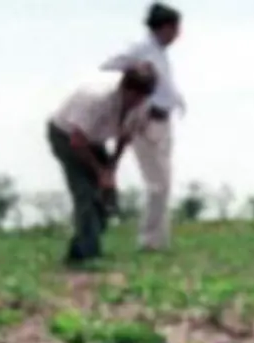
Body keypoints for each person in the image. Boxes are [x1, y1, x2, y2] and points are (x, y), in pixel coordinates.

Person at [47, 63, 157, 266]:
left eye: (144, 95)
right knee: (86, 192)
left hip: (94, 140)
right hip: (66, 135)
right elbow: (77, 141)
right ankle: (91, 255)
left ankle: (78, 251)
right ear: (125, 88)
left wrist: (111, 169)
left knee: (107, 198)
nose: (138, 100)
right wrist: (100, 172)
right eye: (135, 94)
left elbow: (125, 137)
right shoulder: (96, 99)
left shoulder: (142, 106)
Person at [102, 4, 184, 252]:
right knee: (157, 184)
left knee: (164, 182)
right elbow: (110, 65)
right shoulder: (142, 48)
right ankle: (150, 241)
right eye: (175, 28)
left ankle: (158, 239)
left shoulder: (159, 52)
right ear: (166, 27)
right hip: (147, 121)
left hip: (163, 121)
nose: (178, 34)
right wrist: (135, 80)